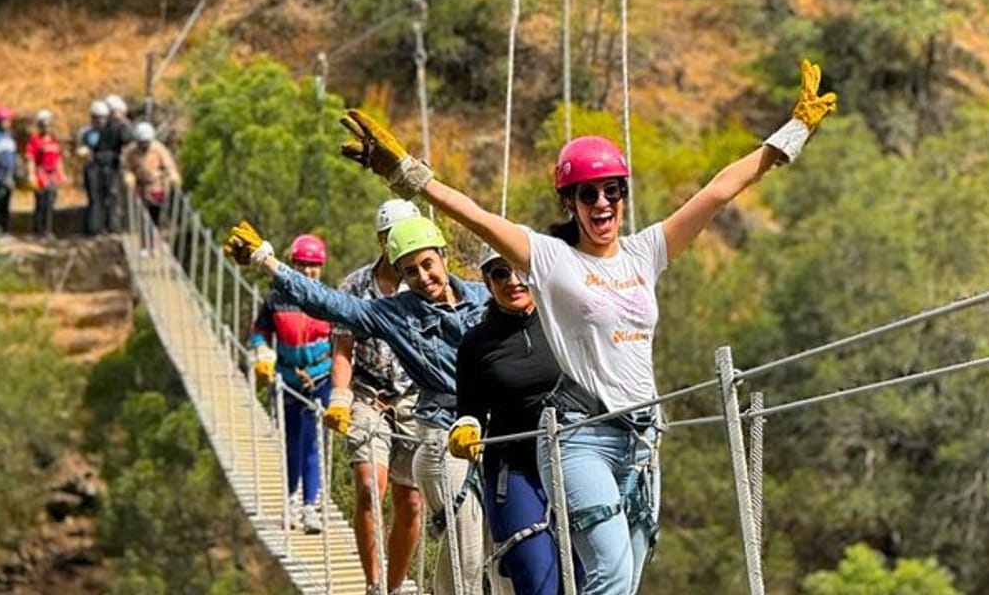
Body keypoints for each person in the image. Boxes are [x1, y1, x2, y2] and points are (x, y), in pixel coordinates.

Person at [331, 57, 836, 594]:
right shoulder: (551, 259)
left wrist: (791, 134)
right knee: (610, 574)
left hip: (644, 441)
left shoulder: (645, 252)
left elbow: (716, 193)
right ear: (569, 202)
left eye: (612, 190)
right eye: (587, 193)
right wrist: (406, 173)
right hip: (581, 438)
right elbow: (474, 215)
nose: (602, 203)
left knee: (622, 580)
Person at [224, 216, 509, 595]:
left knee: (502, 547)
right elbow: (330, 304)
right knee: (468, 541)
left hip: (497, 429)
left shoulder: (484, 296)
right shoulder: (396, 313)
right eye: (410, 271)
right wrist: (267, 262)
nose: (423, 277)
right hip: (442, 435)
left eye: (427, 264)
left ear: (443, 256)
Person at [450, 246, 577, 595]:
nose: (513, 281)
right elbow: (470, 408)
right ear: (487, 282)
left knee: (589, 578)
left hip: (576, 459)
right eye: (500, 273)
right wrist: (466, 427)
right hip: (514, 468)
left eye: (520, 270)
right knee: (538, 579)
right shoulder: (476, 344)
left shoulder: (568, 322)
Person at [324, 198, 425, 595]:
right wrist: (339, 395)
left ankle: (394, 586)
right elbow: (343, 347)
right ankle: (374, 584)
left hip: (415, 400)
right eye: (391, 237)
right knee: (368, 486)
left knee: (411, 503)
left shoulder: (426, 283)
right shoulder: (354, 287)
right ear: (381, 240)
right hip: (368, 397)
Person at [249, 234, 334, 534]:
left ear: (321, 267)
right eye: (302, 264)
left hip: (320, 379)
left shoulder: (328, 299)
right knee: (292, 441)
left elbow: (341, 340)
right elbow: (259, 332)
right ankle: (290, 500)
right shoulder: (276, 300)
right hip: (287, 380)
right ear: (293, 265)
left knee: (312, 440)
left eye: (314, 265)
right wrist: (262, 352)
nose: (308, 271)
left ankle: (309, 506)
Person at [121, 121, 180, 252]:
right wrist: (128, 175)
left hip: (156, 186)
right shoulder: (131, 151)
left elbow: (169, 165)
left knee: (155, 216)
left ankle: (154, 244)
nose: (144, 146)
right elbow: (126, 166)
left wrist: (173, 175)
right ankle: (144, 244)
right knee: (142, 217)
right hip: (139, 186)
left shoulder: (158, 149)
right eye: (141, 143)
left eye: (146, 142)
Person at [77, 99, 126, 235]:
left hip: (110, 168)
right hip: (93, 169)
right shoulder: (86, 132)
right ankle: (94, 228)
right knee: (95, 198)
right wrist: (83, 152)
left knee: (112, 196)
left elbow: (124, 142)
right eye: (97, 118)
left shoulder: (114, 130)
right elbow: (81, 148)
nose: (100, 121)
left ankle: (113, 227)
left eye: (103, 118)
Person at [25, 110, 66, 237]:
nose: (47, 127)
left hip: (52, 174)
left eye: (49, 125)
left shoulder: (54, 140)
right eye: (44, 125)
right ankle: (38, 229)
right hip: (41, 172)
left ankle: (48, 229)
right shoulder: (35, 140)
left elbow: (58, 158)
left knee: (51, 200)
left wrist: (61, 173)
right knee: (41, 201)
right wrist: (31, 174)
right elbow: (31, 159)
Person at [0, 107, 15, 236]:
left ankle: (4, 230)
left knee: (5, 204)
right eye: (5, 120)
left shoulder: (8, 137)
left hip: (8, 175)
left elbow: (11, 157)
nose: (8, 123)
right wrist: (0, 175)